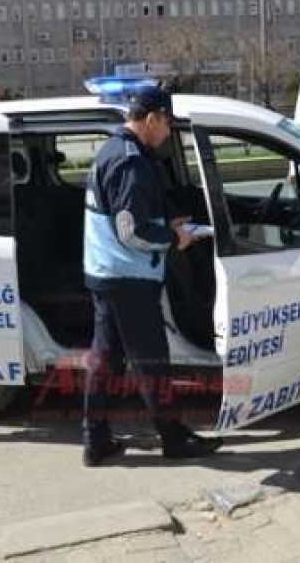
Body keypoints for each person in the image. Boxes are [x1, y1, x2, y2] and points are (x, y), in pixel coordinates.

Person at [81, 85, 222, 466]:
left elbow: (124, 216)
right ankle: (174, 439)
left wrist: (165, 220)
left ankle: (95, 442)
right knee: (151, 363)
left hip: (106, 274)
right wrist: (174, 238)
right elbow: (132, 232)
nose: (168, 132)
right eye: (167, 124)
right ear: (150, 119)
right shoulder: (131, 163)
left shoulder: (111, 152)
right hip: (129, 280)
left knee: (106, 360)